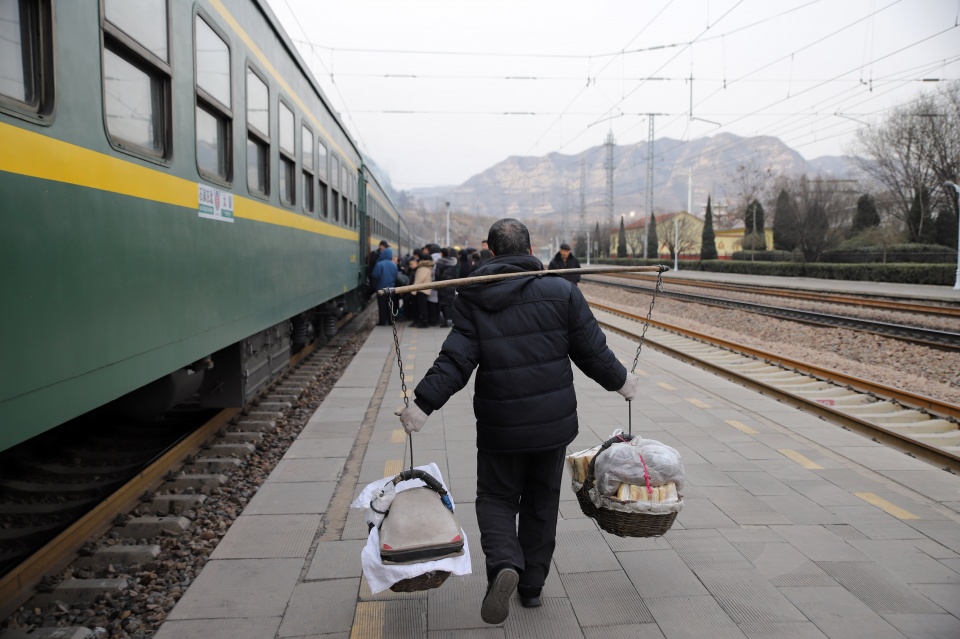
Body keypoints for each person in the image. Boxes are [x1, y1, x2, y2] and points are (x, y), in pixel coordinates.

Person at [395, 218, 639, 625]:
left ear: (491, 251)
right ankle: (532, 586)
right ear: (529, 249)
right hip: (552, 424)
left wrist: (421, 406)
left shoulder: (475, 297)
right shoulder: (562, 291)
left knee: (496, 498)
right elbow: (592, 352)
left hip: (500, 424)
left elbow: (456, 360)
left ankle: (506, 562)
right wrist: (623, 383)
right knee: (542, 503)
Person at [370, 246, 398, 326]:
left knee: (382, 306)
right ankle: (391, 321)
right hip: (391, 288)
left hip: (381, 289)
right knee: (390, 305)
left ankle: (383, 321)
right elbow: (396, 276)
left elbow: (375, 275)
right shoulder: (394, 265)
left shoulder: (379, 264)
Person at [435, 247, 460, 328]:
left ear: (442, 253)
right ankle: (451, 320)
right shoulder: (454, 262)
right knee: (450, 303)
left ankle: (447, 321)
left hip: (443, 285)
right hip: (452, 285)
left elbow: (437, 275)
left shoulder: (439, 262)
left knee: (444, 304)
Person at [411, 250, 435, 328]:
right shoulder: (428, 267)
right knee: (423, 306)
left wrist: (413, 291)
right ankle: (424, 321)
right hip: (425, 289)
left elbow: (418, 280)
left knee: (422, 307)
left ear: (423, 260)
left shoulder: (423, 268)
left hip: (422, 290)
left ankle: (424, 322)